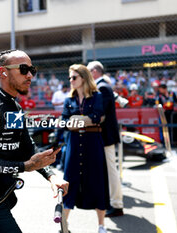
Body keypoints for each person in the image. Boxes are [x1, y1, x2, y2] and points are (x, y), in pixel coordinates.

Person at [0, 49, 68, 233]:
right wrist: (25, 166)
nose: (30, 75)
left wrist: (51, 175)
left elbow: (27, 147)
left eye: (32, 70)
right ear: (4, 72)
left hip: (0, 199)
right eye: (24, 69)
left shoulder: (14, 106)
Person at [62, 64, 109, 233]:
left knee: (97, 180)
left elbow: (98, 116)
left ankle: (101, 225)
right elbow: (65, 122)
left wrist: (77, 120)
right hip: (74, 143)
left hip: (93, 142)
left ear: (83, 78)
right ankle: (63, 225)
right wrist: (82, 120)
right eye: (69, 78)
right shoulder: (69, 100)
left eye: (74, 77)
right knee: (69, 180)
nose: (71, 81)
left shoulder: (96, 96)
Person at [87, 61, 124, 218]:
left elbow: (99, 113)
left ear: (95, 71)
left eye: (88, 71)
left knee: (110, 170)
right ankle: (113, 202)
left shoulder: (102, 87)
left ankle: (116, 204)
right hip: (104, 134)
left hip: (105, 135)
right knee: (108, 170)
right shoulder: (102, 86)